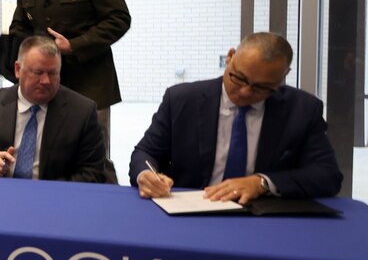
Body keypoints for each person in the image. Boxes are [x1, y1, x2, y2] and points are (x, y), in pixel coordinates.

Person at [130, 32, 343, 203]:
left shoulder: (302, 110)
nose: (245, 92)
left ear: (283, 76)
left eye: (261, 87)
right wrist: (146, 175)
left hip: (263, 214)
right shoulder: (183, 100)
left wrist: (262, 183)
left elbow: (327, 175)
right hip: (191, 208)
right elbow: (145, 152)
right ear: (230, 57)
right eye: (239, 78)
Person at [6, 0, 130, 178]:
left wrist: (74, 45)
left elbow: (119, 19)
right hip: (46, 81)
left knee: (93, 160)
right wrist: (22, 52)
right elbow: (20, 25)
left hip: (89, 81)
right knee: (50, 154)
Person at [0, 36, 106, 182]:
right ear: (18, 69)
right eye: (38, 72)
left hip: (54, 195)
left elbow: (93, 172)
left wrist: (47, 192)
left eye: (53, 73)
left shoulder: (82, 112)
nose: (46, 81)